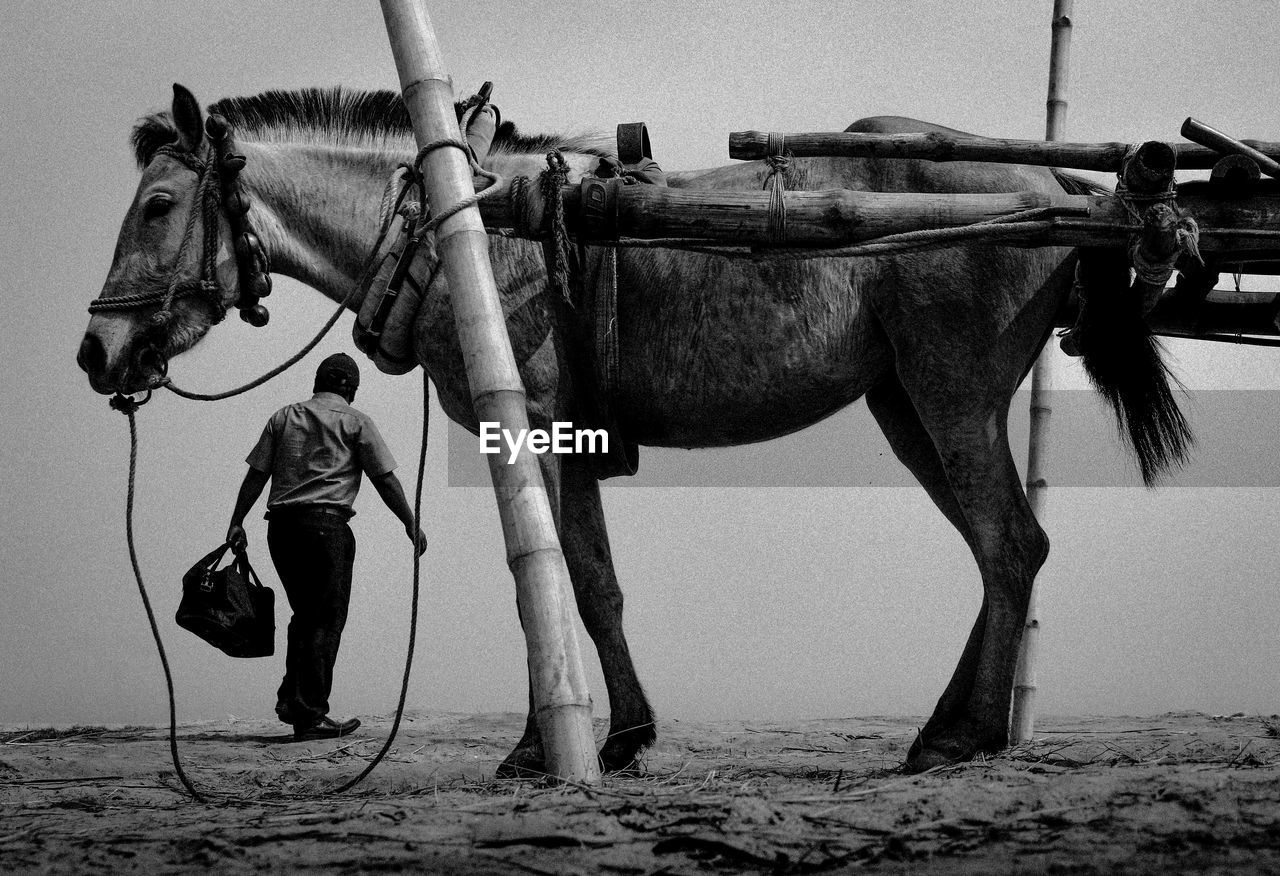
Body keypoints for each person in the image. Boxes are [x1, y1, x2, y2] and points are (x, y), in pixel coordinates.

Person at [226, 352, 426, 741]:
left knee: (305, 615)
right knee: (324, 621)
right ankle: (310, 713)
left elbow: (257, 474)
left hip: (281, 530)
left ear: (317, 381)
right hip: (326, 531)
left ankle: (294, 700)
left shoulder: (284, 417)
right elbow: (384, 479)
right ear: (351, 388)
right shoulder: (356, 422)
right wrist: (410, 521)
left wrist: (237, 520)